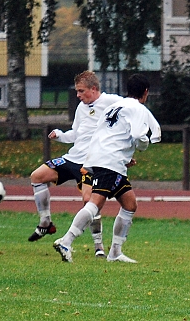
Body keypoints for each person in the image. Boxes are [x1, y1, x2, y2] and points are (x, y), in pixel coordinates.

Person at [52, 74, 161, 264]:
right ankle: (66, 241)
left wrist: (122, 157)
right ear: (145, 92)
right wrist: (144, 144)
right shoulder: (138, 108)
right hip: (109, 162)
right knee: (95, 204)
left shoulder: (114, 106)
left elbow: (104, 132)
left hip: (107, 159)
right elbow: (138, 135)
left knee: (129, 204)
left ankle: (115, 252)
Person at [28, 71, 123, 257]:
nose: (78, 95)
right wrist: (60, 134)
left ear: (93, 89)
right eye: (77, 91)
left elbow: (131, 112)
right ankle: (45, 222)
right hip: (72, 158)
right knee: (37, 176)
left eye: (81, 91)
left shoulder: (112, 102)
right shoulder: (81, 107)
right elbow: (76, 133)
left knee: (89, 201)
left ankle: (99, 247)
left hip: (92, 161)